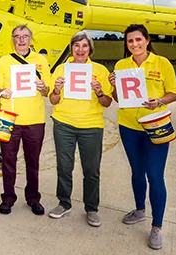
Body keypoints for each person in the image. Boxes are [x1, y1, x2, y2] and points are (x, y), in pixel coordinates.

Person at [108, 24, 176, 250]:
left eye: (138, 40)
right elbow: (119, 97)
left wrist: (159, 101)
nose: (134, 45)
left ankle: (157, 227)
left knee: (155, 176)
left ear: (147, 40)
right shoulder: (121, 65)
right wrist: (113, 86)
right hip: (129, 126)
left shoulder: (162, 63)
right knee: (137, 172)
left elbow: (173, 93)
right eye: (130, 41)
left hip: (156, 126)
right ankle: (140, 210)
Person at [46, 31, 113, 227]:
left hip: (91, 126)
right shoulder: (61, 69)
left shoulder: (99, 70)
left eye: (84, 46)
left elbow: (107, 102)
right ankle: (64, 203)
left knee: (91, 170)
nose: (80, 50)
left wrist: (99, 91)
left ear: (90, 49)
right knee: (64, 167)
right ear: (71, 48)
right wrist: (57, 90)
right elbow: (53, 99)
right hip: (63, 124)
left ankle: (91, 208)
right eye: (76, 46)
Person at [0, 24, 51, 216]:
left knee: (32, 161)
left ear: (31, 38)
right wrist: (2, 92)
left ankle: (33, 198)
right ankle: (8, 197)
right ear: (13, 39)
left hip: (34, 119)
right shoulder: (3, 61)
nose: (21, 40)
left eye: (25, 36)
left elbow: (48, 91)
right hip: (7, 118)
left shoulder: (41, 60)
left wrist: (43, 87)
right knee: (8, 161)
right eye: (17, 36)